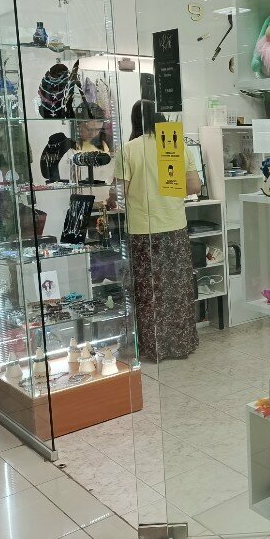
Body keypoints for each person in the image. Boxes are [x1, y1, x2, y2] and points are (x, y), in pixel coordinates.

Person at [111, 100, 202, 361]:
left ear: (135, 121)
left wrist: (116, 197)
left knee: (148, 291)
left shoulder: (129, 149)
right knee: (176, 290)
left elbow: (118, 194)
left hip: (142, 231)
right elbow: (194, 187)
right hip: (174, 227)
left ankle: (152, 348)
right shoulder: (176, 145)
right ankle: (180, 345)